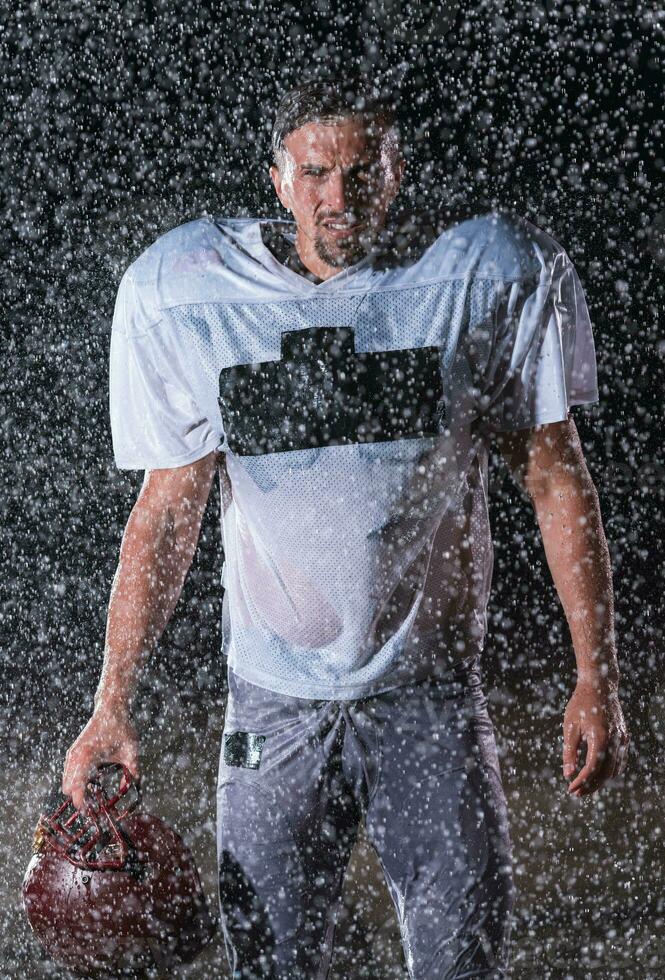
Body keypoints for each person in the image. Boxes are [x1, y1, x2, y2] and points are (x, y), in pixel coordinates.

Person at [62, 77, 630, 979]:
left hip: (430, 698)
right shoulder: (189, 293)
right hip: (275, 708)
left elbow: (556, 480)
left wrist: (593, 675)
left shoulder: (480, 274)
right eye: (316, 172)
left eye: (362, 171)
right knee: (274, 968)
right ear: (279, 178)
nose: (337, 197)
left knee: (460, 968)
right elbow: (167, 513)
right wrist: (111, 704)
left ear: (397, 172)